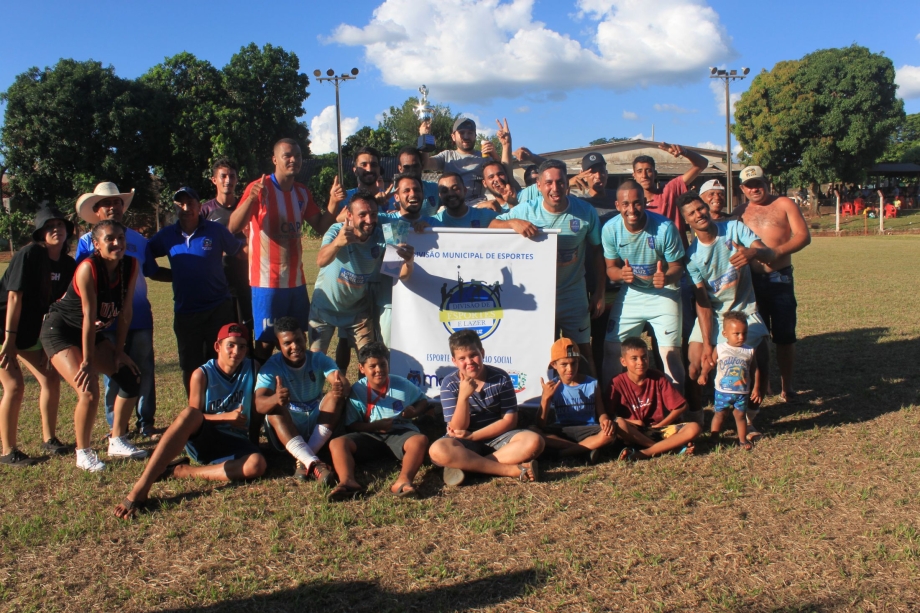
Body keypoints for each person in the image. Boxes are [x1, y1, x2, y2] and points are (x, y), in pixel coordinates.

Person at [113, 323, 267, 519]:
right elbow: (195, 417)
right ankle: (141, 488)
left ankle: (184, 471)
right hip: (206, 438)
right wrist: (224, 418)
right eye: (231, 345)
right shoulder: (202, 374)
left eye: (242, 346)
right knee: (188, 414)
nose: (236, 351)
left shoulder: (253, 369)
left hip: (235, 441)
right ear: (217, 346)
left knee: (257, 465)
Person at [41, 220, 146, 472]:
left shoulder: (130, 265)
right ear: (96, 245)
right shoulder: (88, 268)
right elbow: (88, 317)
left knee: (131, 377)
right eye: (110, 239)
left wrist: (119, 351)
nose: (117, 243)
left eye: (121, 238)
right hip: (61, 331)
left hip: (88, 331)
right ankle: (83, 452)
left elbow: (126, 312)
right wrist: (87, 362)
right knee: (88, 391)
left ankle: (117, 439)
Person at [491, 159, 605, 375]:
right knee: (543, 353)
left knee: (582, 352)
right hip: (538, 297)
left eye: (560, 182)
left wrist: (599, 291)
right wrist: (512, 223)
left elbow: (598, 251)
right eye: (549, 183)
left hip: (573, 293)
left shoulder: (585, 212)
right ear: (539, 186)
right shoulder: (526, 210)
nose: (555, 188)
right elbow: (492, 225)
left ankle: (593, 404)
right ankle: (547, 404)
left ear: (567, 184)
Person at [228, 138, 336, 362]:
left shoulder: (302, 192)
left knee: (295, 340)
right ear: (275, 159)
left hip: (296, 281)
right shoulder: (260, 187)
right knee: (266, 343)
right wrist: (250, 199)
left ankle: (294, 391)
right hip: (266, 282)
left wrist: (333, 203)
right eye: (288, 155)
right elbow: (233, 226)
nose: (294, 159)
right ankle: (260, 392)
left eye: (297, 155)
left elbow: (321, 225)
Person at [678, 191, 775, 429]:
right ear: (686, 221)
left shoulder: (733, 229)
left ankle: (750, 417)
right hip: (715, 315)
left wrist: (753, 252)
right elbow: (703, 303)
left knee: (760, 360)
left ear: (706, 208)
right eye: (691, 213)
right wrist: (709, 345)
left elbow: (768, 252)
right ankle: (697, 416)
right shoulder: (691, 258)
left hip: (744, 310)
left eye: (700, 208)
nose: (699, 214)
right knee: (694, 365)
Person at [75, 182, 163, 439]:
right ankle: (117, 427)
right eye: (106, 203)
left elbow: (151, 271)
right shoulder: (85, 243)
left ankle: (146, 423)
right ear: (97, 209)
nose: (113, 207)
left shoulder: (136, 239)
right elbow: (82, 282)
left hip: (139, 317)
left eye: (117, 202)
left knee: (144, 368)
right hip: (104, 320)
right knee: (111, 372)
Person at [0, 208, 76, 466]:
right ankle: (8, 451)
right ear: (41, 232)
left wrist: (47, 344)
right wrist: (9, 342)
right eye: (49, 225)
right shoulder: (29, 254)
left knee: (50, 378)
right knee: (14, 386)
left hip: (33, 331)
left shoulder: (67, 264)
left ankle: (50, 439)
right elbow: (13, 298)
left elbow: (59, 306)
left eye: (60, 224)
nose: (56, 229)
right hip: (5, 328)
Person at [149, 187, 243, 392]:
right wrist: (174, 276)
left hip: (218, 308)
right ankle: (196, 411)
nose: (186, 208)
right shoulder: (166, 235)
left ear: (199, 206)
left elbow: (239, 253)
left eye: (190, 203)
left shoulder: (216, 230)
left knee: (221, 360)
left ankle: (220, 405)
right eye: (181, 204)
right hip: (186, 312)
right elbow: (147, 260)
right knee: (190, 364)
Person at [734, 165, 811, 404]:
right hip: (750, 283)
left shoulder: (785, 204)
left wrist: (774, 252)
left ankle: (787, 386)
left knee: (785, 336)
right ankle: (762, 383)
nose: (754, 188)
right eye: (749, 185)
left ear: (767, 182)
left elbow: (803, 236)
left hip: (779, 278)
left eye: (758, 183)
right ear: (742, 188)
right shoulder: (739, 212)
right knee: (755, 336)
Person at [310, 191, 415, 363]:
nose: (369, 220)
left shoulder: (383, 234)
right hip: (325, 307)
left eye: (373, 214)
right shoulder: (337, 230)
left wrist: (409, 262)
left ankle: (363, 390)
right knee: (315, 361)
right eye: (362, 215)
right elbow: (321, 260)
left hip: (357, 311)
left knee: (370, 361)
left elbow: (400, 274)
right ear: (349, 215)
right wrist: (337, 243)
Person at [428, 330, 544, 486]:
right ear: (454, 361)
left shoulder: (500, 377)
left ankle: (469, 466)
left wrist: (473, 436)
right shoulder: (449, 383)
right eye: (462, 358)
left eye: (473, 355)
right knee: (437, 450)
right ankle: (511, 471)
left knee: (534, 441)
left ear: (482, 353)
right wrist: (463, 396)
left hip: (497, 437)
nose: (469, 362)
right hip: (463, 442)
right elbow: (456, 428)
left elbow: (510, 420)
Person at [601, 180, 686, 392]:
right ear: (617, 205)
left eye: (637, 203)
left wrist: (666, 278)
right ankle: (611, 407)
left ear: (645, 202)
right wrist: (621, 274)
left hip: (664, 293)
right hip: (632, 293)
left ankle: (676, 411)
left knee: (670, 354)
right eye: (626, 204)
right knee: (612, 349)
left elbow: (678, 267)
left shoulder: (665, 227)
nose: (632, 209)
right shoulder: (610, 229)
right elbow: (610, 268)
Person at [327, 342, 429, 500]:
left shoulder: (402, 384)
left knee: (420, 440)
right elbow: (351, 425)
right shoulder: (358, 390)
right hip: (369, 435)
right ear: (362, 369)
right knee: (337, 443)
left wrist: (414, 411)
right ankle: (347, 482)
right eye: (372, 366)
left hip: (399, 432)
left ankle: (403, 482)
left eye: (383, 364)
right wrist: (374, 427)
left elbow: (423, 401)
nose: (379, 370)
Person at [255, 316, 349, 483]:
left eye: (298, 340)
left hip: (314, 422)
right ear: (278, 345)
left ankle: (305, 459)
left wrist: (340, 386)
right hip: (287, 428)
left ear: (305, 338)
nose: (295, 346)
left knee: (335, 396)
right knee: (275, 408)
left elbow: (342, 383)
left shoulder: (318, 359)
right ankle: (313, 461)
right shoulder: (271, 367)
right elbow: (259, 404)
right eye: (287, 343)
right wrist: (276, 398)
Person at [610, 337, 701, 460]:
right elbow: (609, 415)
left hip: (659, 429)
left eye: (644, 357)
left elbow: (681, 406)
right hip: (635, 432)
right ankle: (665, 448)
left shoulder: (657, 377)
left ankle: (646, 452)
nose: (640, 362)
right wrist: (632, 422)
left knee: (694, 427)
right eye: (634, 358)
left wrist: (661, 425)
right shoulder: (617, 382)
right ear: (623, 361)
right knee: (619, 424)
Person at [534, 338, 616, 463]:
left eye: (573, 363)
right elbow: (540, 424)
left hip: (588, 429)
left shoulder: (592, 384)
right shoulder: (552, 386)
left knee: (609, 433)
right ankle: (586, 449)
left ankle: (562, 453)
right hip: (563, 430)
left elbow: (601, 412)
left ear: (579, 361)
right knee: (534, 432)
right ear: (554, 365)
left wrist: (605, 420)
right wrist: (545, 398)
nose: (570, 369)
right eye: (564, 364)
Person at [201, 158, 253, 335]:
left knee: (249, 330)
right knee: (225, 332)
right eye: (223, 176)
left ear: (237, 179)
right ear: (214, 180)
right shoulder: (206, 211)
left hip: (248, 279)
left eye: (232, 176)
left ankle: (249, 363)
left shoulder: (246, 207)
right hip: (218, 283)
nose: (228, 180)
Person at [697, 312, 760, 450]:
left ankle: (742, 440)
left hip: (742, 391)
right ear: (725, 334)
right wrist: (704, 373)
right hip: (723, 391)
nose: (741, 337)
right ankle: (714, 438)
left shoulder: (749, 351)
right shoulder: (720, 348)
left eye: (744, 333)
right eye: (736, 333)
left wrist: (756, 387)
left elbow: (755, 370)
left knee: (741, 415)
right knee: (720, 414)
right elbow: (711, 363)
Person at [421, 117, 516, 203]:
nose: (466, 137)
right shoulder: (447, 156)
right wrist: (424, 137)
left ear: (475, 136)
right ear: (453, 137)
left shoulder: (484, 157)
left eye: (470, 133)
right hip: (451, 204)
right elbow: (425, 164)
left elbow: (506, 175)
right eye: (461, 133)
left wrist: (498, 152)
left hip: (478, 203)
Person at [631, 143, 709, 244]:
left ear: (655, 174)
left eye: (648, 170)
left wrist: (684, 152)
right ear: (634, 175)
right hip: (650, 258)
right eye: (639, 171)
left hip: (678, 256)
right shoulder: (633, 206)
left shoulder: (670, 190)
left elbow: (702, 164)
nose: (644, 175)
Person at [327, 146, 391, 217]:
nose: (369, 169)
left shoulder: (392, 199)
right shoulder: (344, 199)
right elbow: (330, 225)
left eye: (374, 165)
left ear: (379, 169)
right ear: (355, 171)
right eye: (363, 165)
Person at [429, 173, 499, 228]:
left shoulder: (486, 216)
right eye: (445, 191)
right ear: (440, 195)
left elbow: (508, 221)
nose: (450, 193)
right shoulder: (433, 222)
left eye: (455, 188)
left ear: (465, 190)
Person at [388, 146, 439, 217]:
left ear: (422, 165)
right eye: (406, 167)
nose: (411, 171)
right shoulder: (391, 195)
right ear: (400, 169)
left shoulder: (435, 188)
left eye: (415, 166)